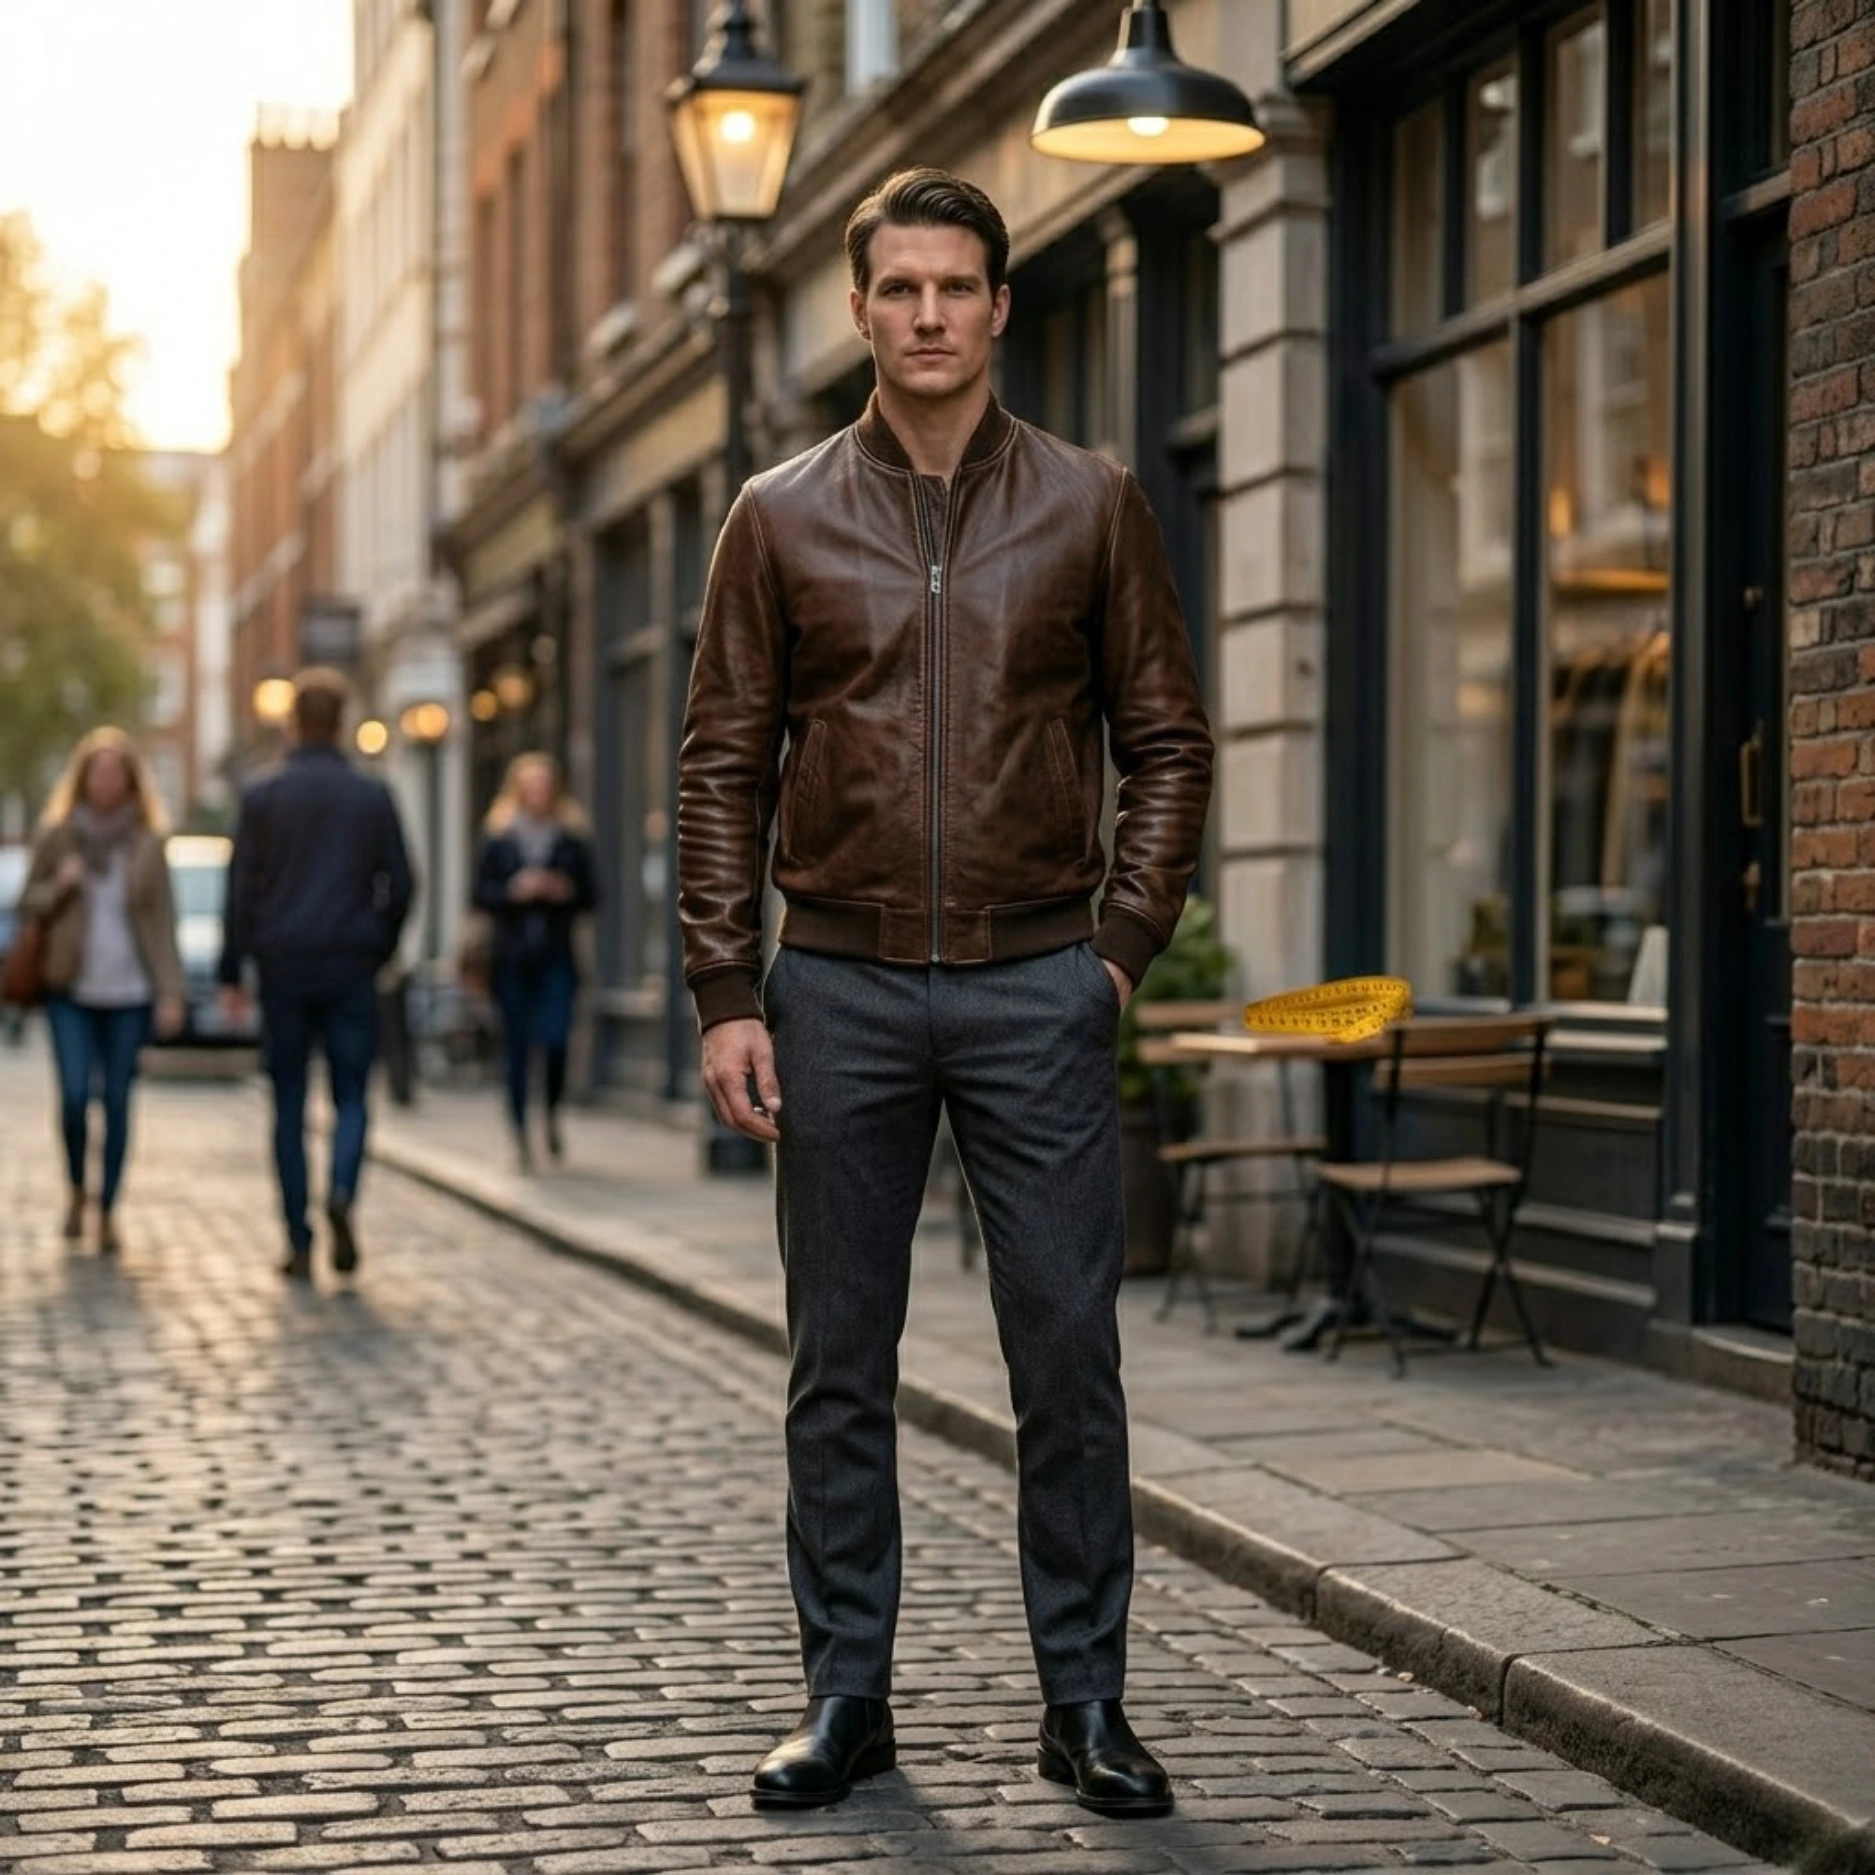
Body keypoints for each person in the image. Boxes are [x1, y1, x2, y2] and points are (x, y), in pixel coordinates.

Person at [677, 169, 1213, 1816]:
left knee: (1067, 1357)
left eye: (954, 287)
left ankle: (1085, 1703)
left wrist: (1115, 951)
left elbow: (1168, 742)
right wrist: (725, 985)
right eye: (898, 288)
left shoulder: (1090, 503)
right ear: (860, 310)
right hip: (833, 987)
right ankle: (846, 1698)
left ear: (998, 305)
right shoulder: (776, 514)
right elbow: (720, 764)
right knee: (838, 1363)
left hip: (1034, 982)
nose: (927, 315)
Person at [218, 669, 414, 1281]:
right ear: (342, 721)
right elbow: (402, 882)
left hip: (283, 965)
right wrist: (377, 945)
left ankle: (299, 1239)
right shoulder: (371, 795)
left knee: (288, 1104)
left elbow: (240, 890)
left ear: (293, 722)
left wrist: (233, 966)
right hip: (350, 963)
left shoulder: (262, 796)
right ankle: (343, 1190)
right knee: (352, 1095)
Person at [20, 728, 186, 1253]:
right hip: (69, 988)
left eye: (117, 774)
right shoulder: (59, 836)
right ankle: (76, 1188)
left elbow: (164, 921)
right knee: (74, 1097)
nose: (107, 782)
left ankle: (108, 1208)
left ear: (131, 782)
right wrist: (60, 884)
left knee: (117, 1100)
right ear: (83, 779)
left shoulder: (148, 842)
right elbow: (27, 903)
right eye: (99, 773)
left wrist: (171, 991)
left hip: (129, 991)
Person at [472, 752, 597, 1170]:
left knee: (557, 1040)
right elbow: (480, 894)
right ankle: (521, 1132)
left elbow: (592, 894)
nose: (537, 794)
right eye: (530, 787)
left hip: (556, 956)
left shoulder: (570, 838)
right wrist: (514, 891)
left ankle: (552, 1113)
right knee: (516, 1047)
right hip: (510, 959)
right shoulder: (499, 837)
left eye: (543, 786)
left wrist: (564, 890)